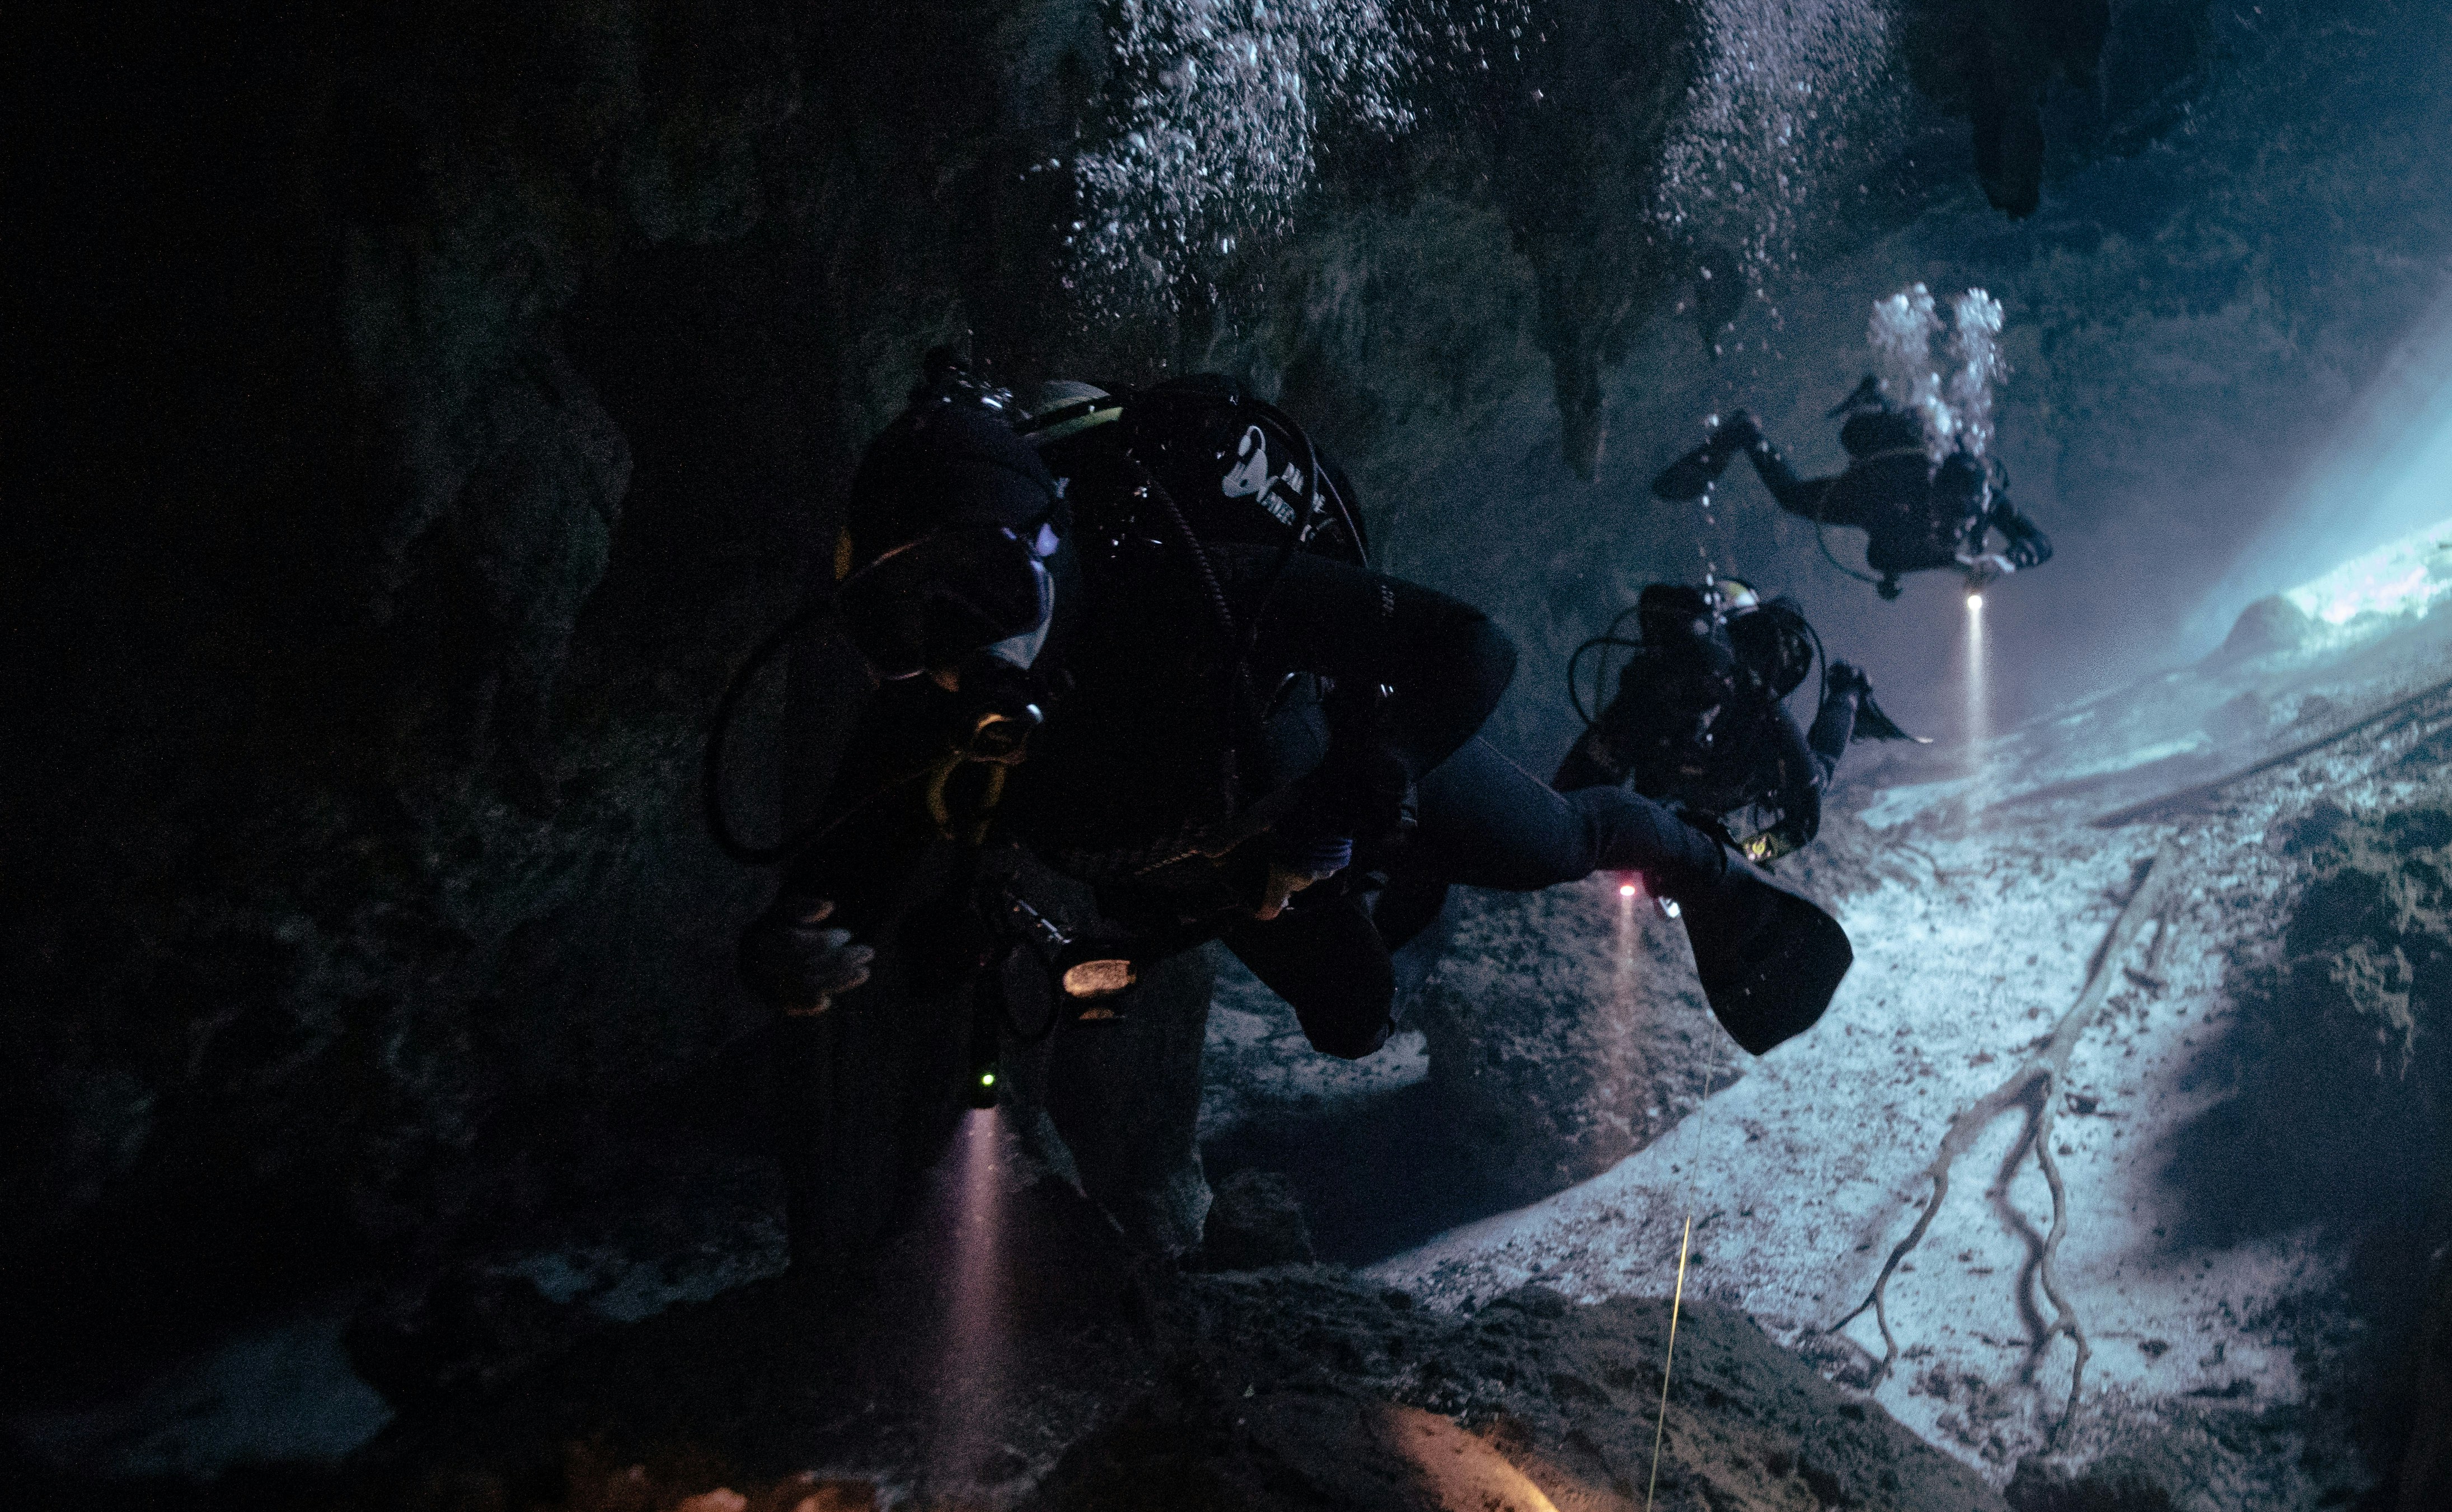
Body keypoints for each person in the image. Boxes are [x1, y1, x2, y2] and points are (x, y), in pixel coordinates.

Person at [735, 362, 1853, 1161]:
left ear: (1050, 545)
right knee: (1354, 1016)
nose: (958, 654)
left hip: (1318, 763)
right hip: (1221, 864)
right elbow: (834, 889)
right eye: (899, 622)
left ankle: (1710, 872)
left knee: (1556, 837)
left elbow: (1475, 645)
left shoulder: (1184, 586)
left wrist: (1379, 772)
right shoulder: (920, 717)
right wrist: (793, 947)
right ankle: (1402, 898)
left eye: (981, 588)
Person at [1554, 581, 1912, 865]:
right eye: (1682, 673)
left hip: (1740, 772)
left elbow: (1803, 822)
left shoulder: (1760, 709)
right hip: (1694, 790)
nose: (1695, 690)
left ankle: (1848, 694)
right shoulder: (1643, 700)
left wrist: (1743, 856)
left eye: (1707, 676)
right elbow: (1571, 798)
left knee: (1819, 772)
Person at [1648, 378, 2052, 597]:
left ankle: (1876, 400)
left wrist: (2006, 561)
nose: (1961, 529)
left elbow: (2041, 543)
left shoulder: (1985, 499)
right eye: (1951, 516)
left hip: (1901, 498)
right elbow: (1881, 555)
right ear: (1935, 494)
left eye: (1967, 519)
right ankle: (1747, 434)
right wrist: (1959, 565)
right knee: (1792, 499)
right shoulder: (1897, 490)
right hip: (1871, 491)